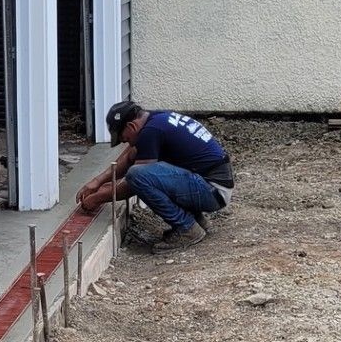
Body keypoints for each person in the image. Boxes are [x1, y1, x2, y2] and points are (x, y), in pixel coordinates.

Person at [77, 101, 235, 246]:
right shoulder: (157, 119)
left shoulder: (151, 131)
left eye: (125, 138)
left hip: (212, 191)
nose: (127, 142)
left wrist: (98, 198)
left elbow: (135, 182)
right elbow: (131, 156)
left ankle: (187, 228)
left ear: (131, 126)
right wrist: (97, 181)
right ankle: (196, 220)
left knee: (137, 175)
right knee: (146, 171)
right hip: (214, 186)